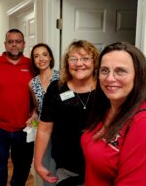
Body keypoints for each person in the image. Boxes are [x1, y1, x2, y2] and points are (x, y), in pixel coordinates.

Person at [81, 41, 146, 186]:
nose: (110, 78)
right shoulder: (107, 108)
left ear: (138, 76)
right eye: (104, 70)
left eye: (121, 71)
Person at [34, 40, 99, 186]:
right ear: (67, 63)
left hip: (100, 168)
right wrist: (38, 163)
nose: (79, 63)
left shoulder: (105, 89)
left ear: (94, 62)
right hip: (67, 169)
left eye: (85, 58)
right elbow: (44, 129)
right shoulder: (56, 89)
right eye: (73, 58)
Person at [0, 28, 37, 186]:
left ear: (24, 44)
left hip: (25, 128)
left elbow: (40, 95)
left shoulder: (32, 66)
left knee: (23, 167)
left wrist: (34, 114)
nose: (14, 45)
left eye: (18, 41)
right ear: (5, 44)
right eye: (10, 42)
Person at [29, 43, 60, 186]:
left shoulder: (63, 78)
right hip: (44, 130)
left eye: (44, 54)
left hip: (63, 129)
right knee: (47, 167)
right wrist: (33, 116)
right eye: (36, 56)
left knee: (64, 168)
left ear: (50, 57)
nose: (41, 58)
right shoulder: (32, 83)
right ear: (34, 61)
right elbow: (37, 107)